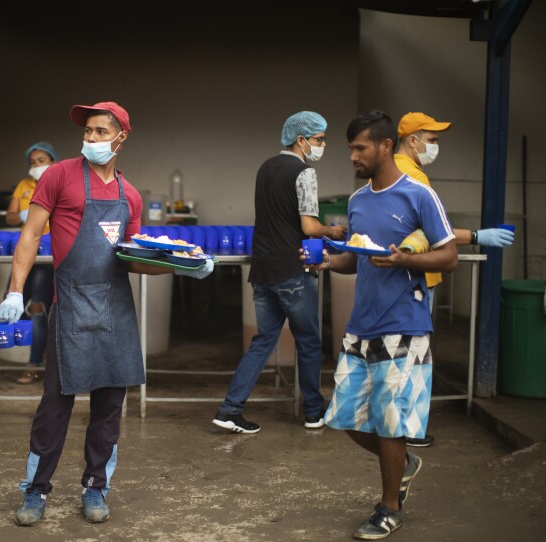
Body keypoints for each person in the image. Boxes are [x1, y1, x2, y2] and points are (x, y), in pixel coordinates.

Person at [0, 101, 213, 527]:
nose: (91, 139)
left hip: (115, 308)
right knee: (54, 406)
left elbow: (131, 259)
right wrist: (16, 290)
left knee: (110, 406)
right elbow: (29, 234)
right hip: (71, 305)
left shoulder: (128, 195)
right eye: (88, 131)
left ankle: (96, 487)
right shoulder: (59, 176)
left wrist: (182, 264)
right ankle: (35, 490)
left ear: (121, 137)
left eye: (100, 131)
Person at [316, 111, 457, 540]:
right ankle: (405, 464)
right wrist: (326, 260)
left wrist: (405, 260)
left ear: (384, 147)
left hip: (404, 322)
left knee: (391, 423)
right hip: (363, 324)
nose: (353, 156)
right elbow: (353, 259)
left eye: (359, 148)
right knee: (346, 418)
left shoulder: (418, 196)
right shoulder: (358, 201)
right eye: (350, 149)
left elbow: (448, 256)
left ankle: (388, 506)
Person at [212, 111, 347, 435]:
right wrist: (337, 230)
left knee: (262, 342)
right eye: (318, 139)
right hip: (292, 271)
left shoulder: (266, 168)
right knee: (309, 343)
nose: (322, 145)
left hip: (263, 271)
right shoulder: (304, 172)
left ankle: (230, 409)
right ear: (301, 140)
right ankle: (314, 412)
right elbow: (309, 227)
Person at [394, 112, 514, 448]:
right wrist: (478, 234)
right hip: (415, 278)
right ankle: (407, 430)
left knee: (411, 354)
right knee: (413, 356)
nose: (435, 146)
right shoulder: (410, 176)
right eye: (431, 139)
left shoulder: (404, 172)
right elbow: (435, 231)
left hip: (412, 276)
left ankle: (404, 427)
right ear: (412, 140)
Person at [4, 141, 59, 384]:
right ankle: (40, 352)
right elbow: (10, 217)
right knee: (10, 302)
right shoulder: (23, 186)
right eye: (32, 162)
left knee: (37, 307)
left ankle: (35, 363)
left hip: (47, 254)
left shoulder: (59, 183)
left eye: (41, 161)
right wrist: (24, 215)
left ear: (52, 162)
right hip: (26, 251)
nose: (36, 166)